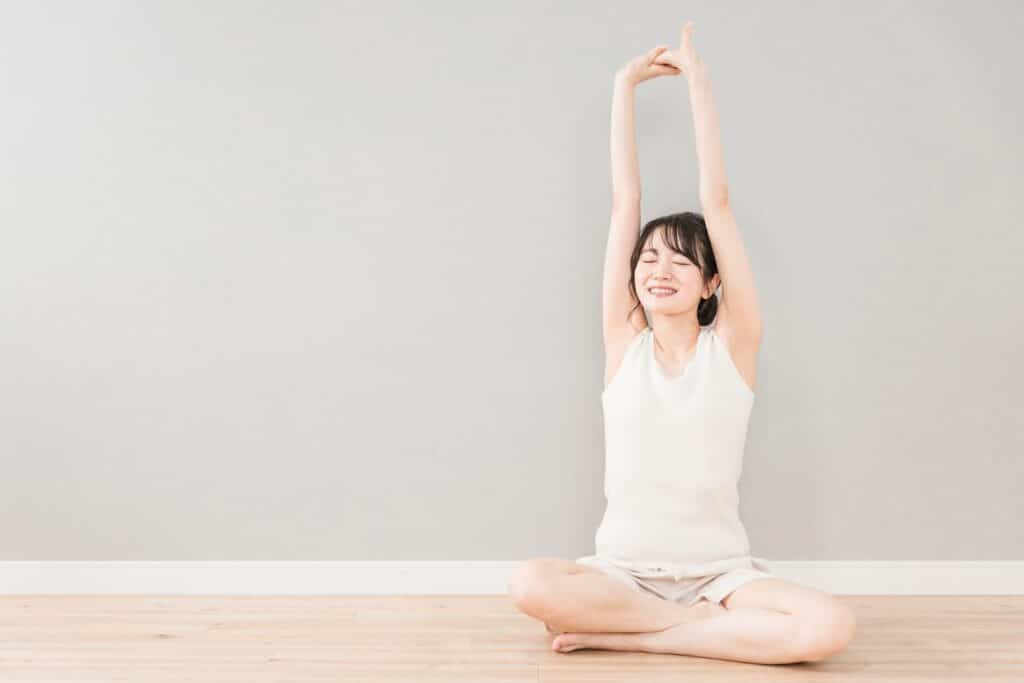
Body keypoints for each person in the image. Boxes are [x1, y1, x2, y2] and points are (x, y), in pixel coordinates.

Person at [507, 22, 856, 665]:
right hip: (622, 573)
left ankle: (635, 635)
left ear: (710, 282)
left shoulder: (734, 348)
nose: (657, 271)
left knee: (829, 628)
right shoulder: (623, 343)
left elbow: (716, 204)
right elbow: (624, 204)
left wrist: (699, 84)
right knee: (529, 583)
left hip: (720, 581)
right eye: (648, 259)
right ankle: (675, 629)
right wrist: (623, 88)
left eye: (679, 262)